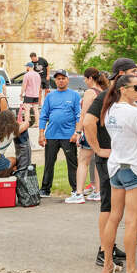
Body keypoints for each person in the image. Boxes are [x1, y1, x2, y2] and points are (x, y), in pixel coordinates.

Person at [99, 74, 137, 273]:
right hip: (133, 166)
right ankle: (132, 270)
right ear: (123, 89)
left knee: (114, 216)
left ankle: (107, 264)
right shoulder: (135, 113)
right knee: (131, 220)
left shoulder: (111, 109)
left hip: (115, 166)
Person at [83, 58, 137, 269]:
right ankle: (103, 251)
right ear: (122, 74)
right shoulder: (106, 96)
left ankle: (110, 246)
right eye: (134, 71)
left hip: (124, 159)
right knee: (108, 206)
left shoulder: (123, 96)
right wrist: (98, 149)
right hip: (110, 159)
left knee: (117, 208)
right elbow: (87, 122)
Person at [38, 70, 83, 202]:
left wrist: (76, 133)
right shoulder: (50, 96)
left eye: (63, 78)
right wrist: (41, 134)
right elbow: (43, 116)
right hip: (51, 135)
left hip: (68, 136)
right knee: (49, 163)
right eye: (58, 79)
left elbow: (78, 116)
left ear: (67, 80)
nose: (61, 80)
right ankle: (45, 189)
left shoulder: (74, 95)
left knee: (72, 164)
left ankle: (75, 189)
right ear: (55, 81)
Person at [76, 68, 109, 202]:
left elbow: (84, 114)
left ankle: (78, 193)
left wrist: (78, 131)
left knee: (83, 161)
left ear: (90, 78)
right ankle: (97, 191)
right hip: (100, 131)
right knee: (97, 161)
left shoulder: (90, 92)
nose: (85, 81)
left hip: (90, 130)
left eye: (85, 78)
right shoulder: (102, 92)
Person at [20, 62, 42, 133]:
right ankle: (37, 123)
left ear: (28, 67)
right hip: (36, 94)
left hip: (29, 94)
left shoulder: (27, 75)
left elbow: (24, 85)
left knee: (27, 109)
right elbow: (39, 85)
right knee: (36, 109)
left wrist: (21, 94)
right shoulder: (38, 75)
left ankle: (26, 123)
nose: (26, 67)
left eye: (26, 66)